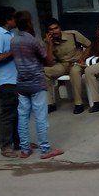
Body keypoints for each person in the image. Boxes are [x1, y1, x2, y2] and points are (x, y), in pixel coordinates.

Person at [10, 11, 63, 160]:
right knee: (41, 117)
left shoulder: (13, 40)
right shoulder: (33, 41)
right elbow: (49, 61)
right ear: (28, 23)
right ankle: (45, 150)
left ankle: (25, 149)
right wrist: (49, 44)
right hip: (36, 83)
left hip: (21, 83)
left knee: (23, 117)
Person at [0, 6, 20, 157]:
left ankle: (18, 142)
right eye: (14, 17)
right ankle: (6, 145)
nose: (16, 20)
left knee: (17, 112)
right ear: (8, 20)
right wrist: (14, 52)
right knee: (8, 113)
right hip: (5, 81)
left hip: (14, 79)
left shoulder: (10, 35)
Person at [42, 18, 89, 114]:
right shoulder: (47, 41)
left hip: (76, 63)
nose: (54, 31)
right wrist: (50, 45)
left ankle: (78, 104)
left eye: (56, 28)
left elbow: (89, 45)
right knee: (43, 71)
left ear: (60, 28)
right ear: (47, 32)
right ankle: (50, 104)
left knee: (74, 71)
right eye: (51, 29)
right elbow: (50, 63)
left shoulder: (73, 34)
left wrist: (82, 58)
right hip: (62, 64)